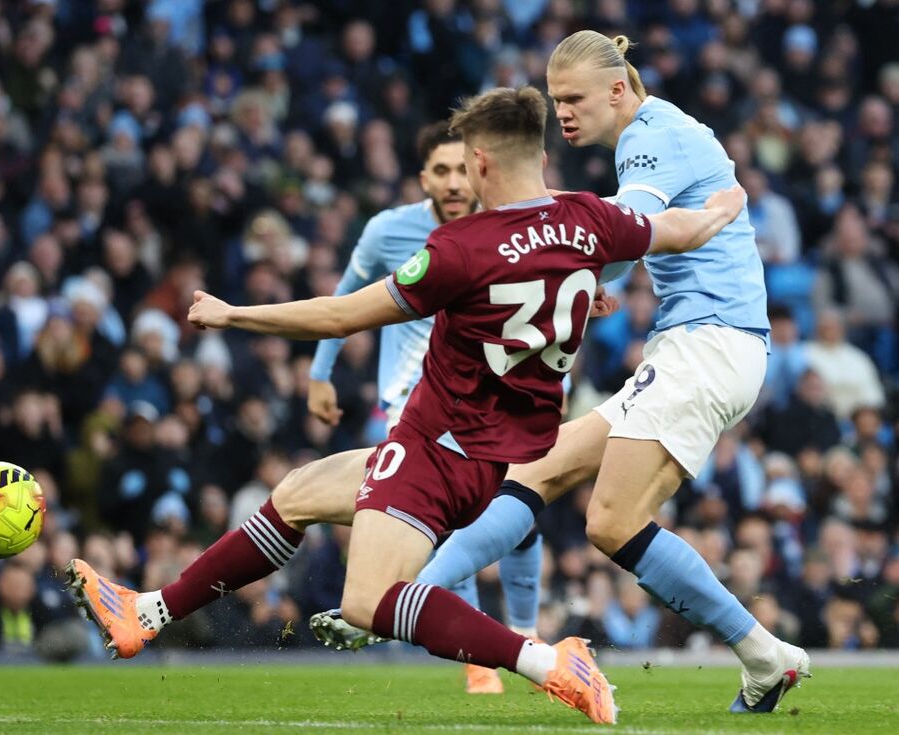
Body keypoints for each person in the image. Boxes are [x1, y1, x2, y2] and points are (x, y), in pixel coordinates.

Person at [66, 85, 745, 725]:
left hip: (436, 445)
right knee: (300, 492)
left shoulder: (459, 249)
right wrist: (723, 204)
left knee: (366, 600)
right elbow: (679, 229)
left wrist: (235, 313)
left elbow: (339, 316)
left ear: (479, 164)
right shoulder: (591, 220)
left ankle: (545, 660)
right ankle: (147, 613)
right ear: (539, 157)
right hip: (494, 452)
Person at [317, 32, 809, 714]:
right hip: (696, 345)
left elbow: (619, 225)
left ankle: (762, 653)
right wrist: (585, 277)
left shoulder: (648, 137)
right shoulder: (664, 131)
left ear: (618, 90)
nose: (563, 113)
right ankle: (409, 596)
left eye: (573, 98)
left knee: (610, 521)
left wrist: (572, 275)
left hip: (710, 346)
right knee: (535, 473)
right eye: (555, 101)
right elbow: (611, 241)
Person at [306, 120, 542, 694]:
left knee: (522, 521)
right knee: (444, 528)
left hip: (499, 405)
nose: (454, 182)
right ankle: (480, 657)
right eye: (441, 171)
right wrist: (320, 372)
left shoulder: (508, 229)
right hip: (413, 410)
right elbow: (345, 299)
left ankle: (525, 633)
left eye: (463, 169)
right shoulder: (390, 231)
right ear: (423, 179)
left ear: (480, 168)